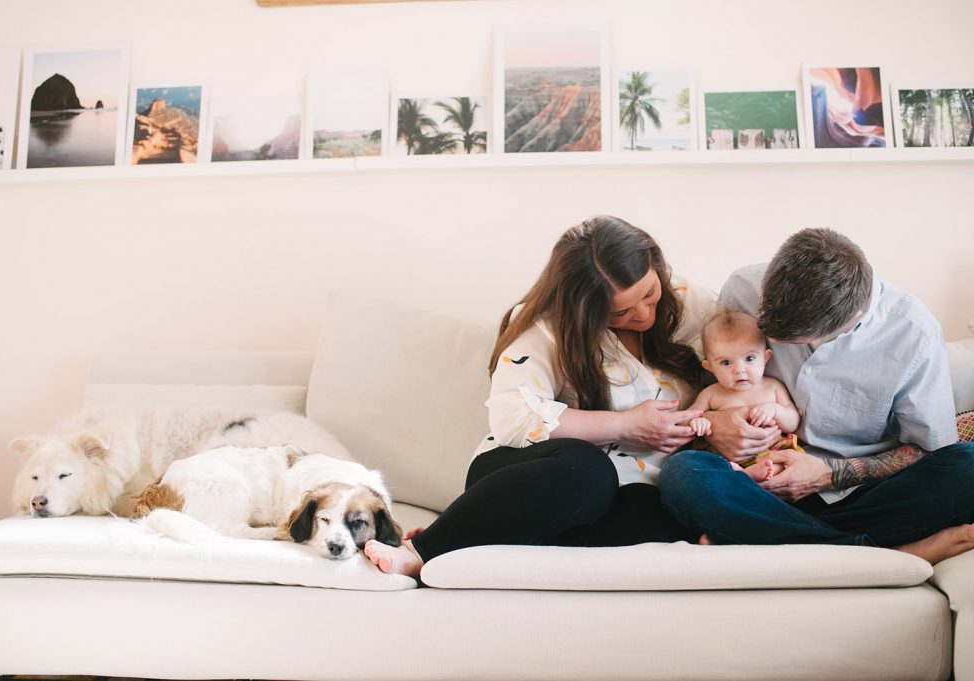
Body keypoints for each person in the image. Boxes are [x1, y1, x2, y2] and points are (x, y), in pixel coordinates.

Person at [363, 215, 716, 577]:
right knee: (589, 473)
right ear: (585, 311)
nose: (643, 314)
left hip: (633, 484)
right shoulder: (548, 326)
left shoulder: (694, 304)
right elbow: (511, 418)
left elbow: (748, 370)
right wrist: (625, 425)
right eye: (619, 312)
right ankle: (425, 549)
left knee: (666, 507)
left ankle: (479, 532)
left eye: (648, 294)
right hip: (538, 473)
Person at [658, 227, 974, 564]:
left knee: (967, 464)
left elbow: (927, 449)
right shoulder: (742, 288)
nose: (772, 346)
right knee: (684, 473)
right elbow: (718, 391)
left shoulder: (913, 332)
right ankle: (881, 555)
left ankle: (770, 540)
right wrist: (717, 425)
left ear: (850, 319)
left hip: (860, 494)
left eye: (790, 340)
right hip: (755, 487)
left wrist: (828, 474)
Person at [686, 309, 800, 482]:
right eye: (726, 362)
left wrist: (775, 410)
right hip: (726, 457)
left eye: (749, 359)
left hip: (769, 453)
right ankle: (742, 475)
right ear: (710, 367)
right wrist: (698, 422)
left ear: (766, 358)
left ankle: (754, 475)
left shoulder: (772, 387)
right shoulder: (711, 394)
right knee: (697, 465)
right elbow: (688, 418)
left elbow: (793, 422)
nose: (739, 370)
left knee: (786, 462)